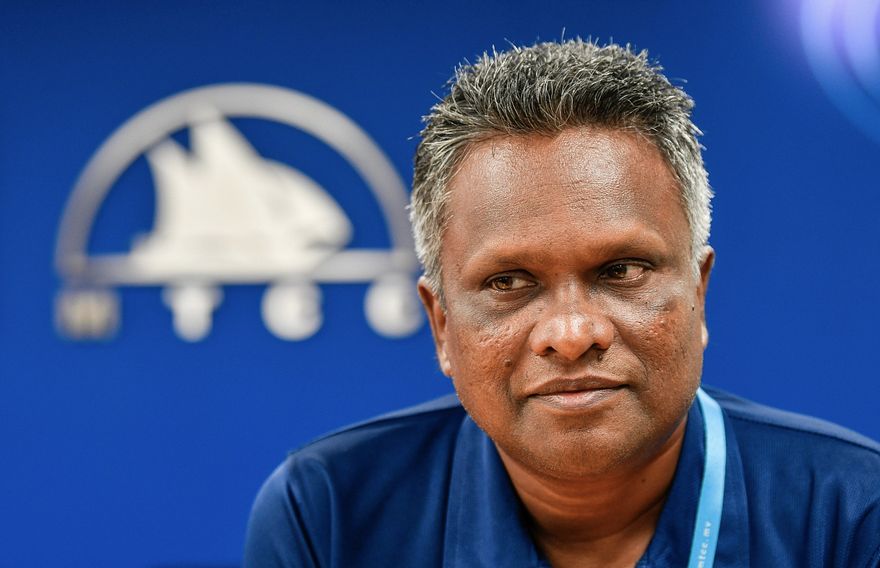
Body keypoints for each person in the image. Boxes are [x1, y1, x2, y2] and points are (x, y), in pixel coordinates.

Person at [243, 40, 880, 567]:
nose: (571, 334)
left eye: (621, 271)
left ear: (698, 292)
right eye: (508, 283)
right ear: (441, 325)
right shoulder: (326, 515)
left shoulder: (854, 514)